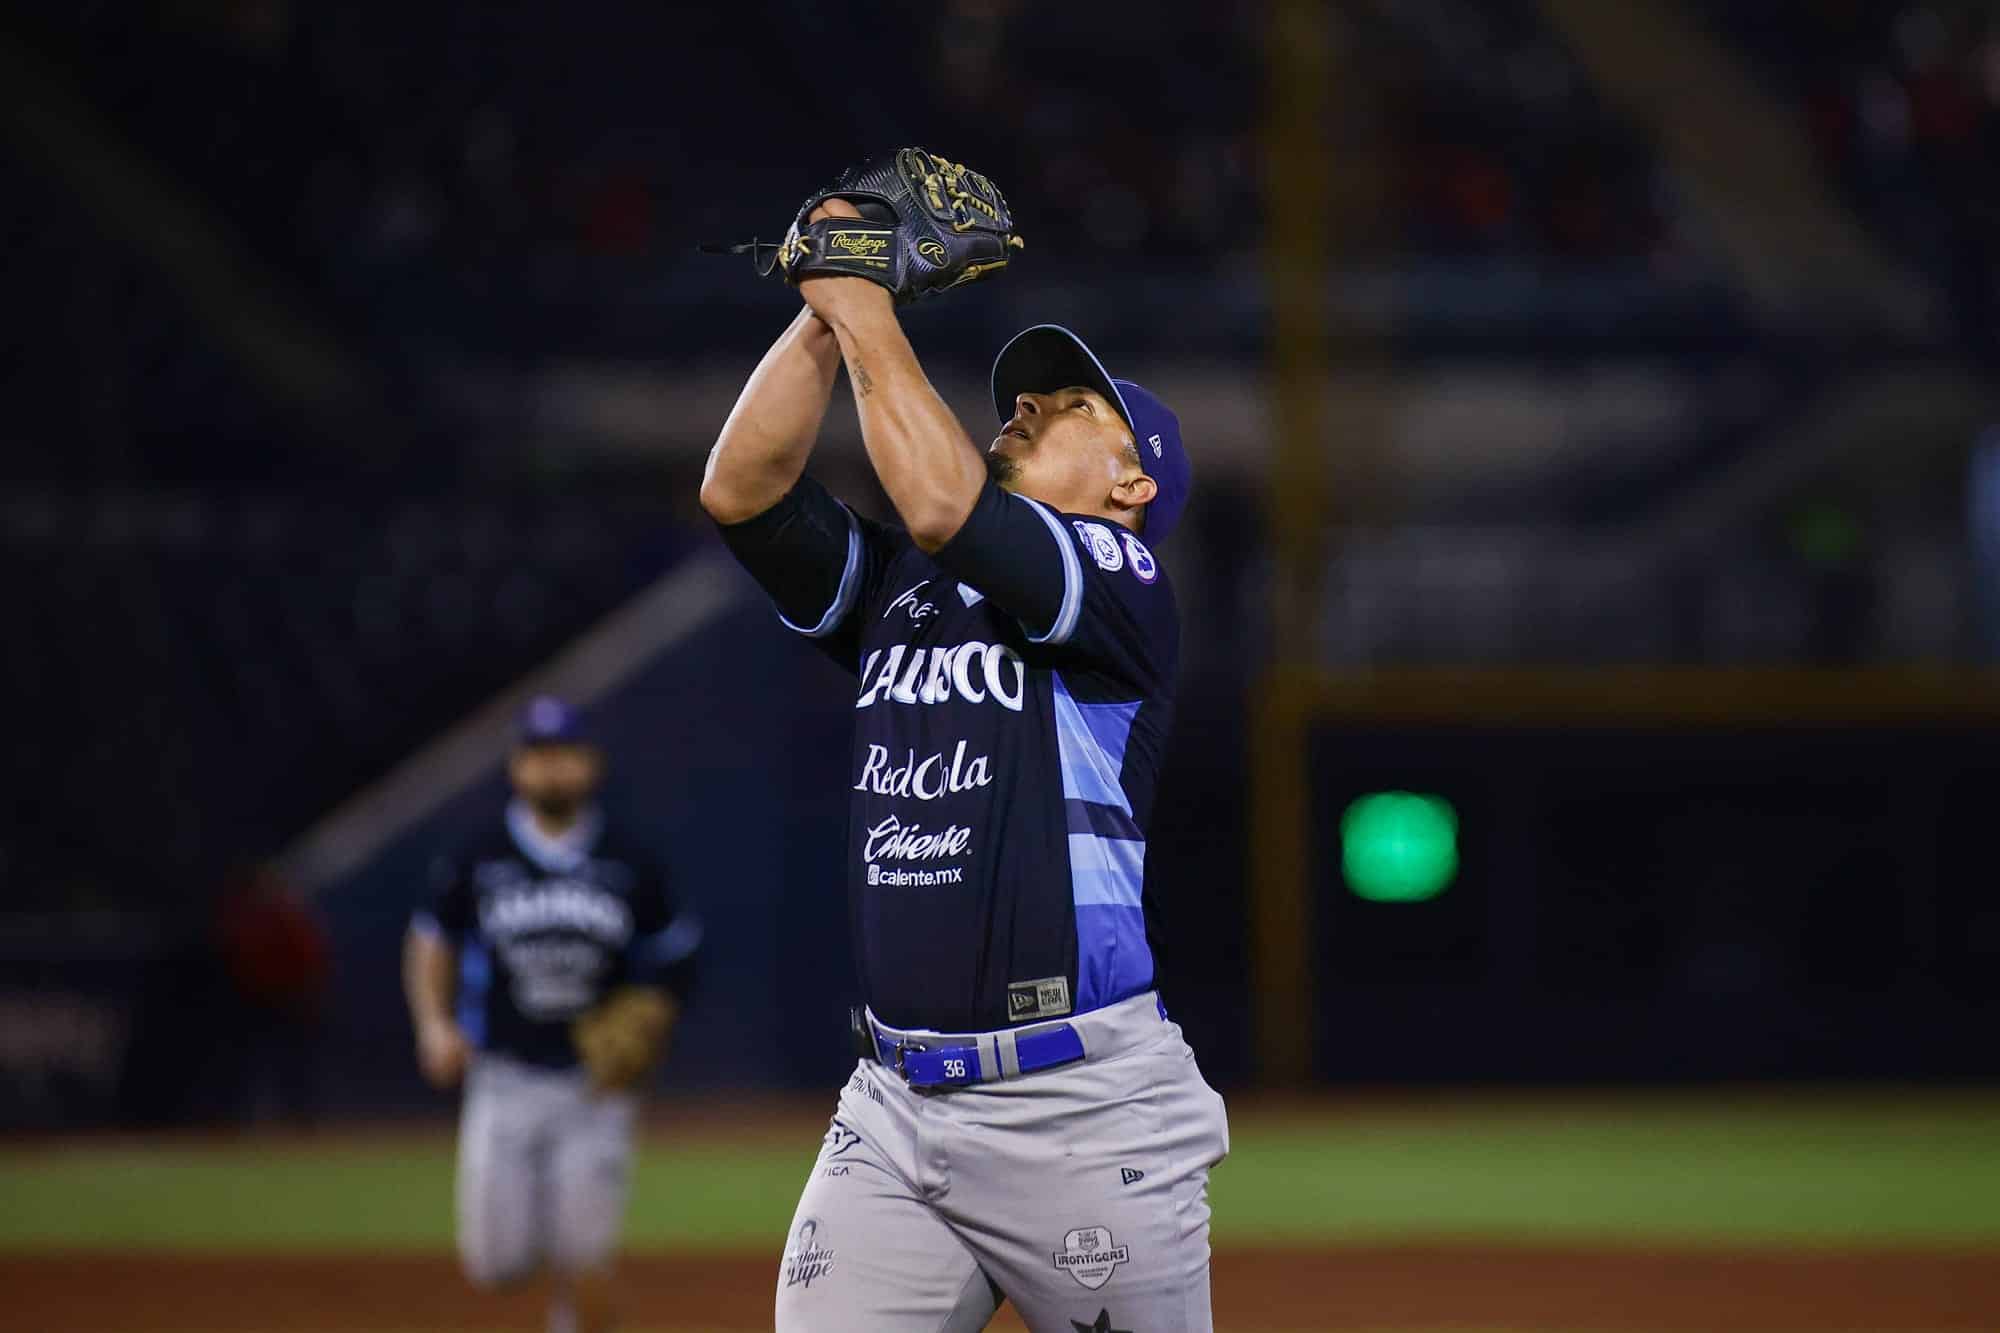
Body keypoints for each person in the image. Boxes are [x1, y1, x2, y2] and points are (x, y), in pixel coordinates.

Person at [702, 196, 1228, 1332]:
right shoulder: (910, 587)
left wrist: (861, 292)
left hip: (1080, 1108)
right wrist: (823, 305)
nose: (1028, 404)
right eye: (1026, 397)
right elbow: (739, 490)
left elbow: (944, 501)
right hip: (894, 1103)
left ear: (1132, 485)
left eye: (1073, 403)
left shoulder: (1122, 583)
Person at [402, 696, 700, 1333]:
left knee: (585, 1259)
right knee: (496, 1264)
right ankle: (539, 1234)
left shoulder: (630, 858)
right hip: (503, 1076)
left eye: (564, 755)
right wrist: (434, 1023)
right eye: (538, 757)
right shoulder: (479, 855)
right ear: (516, 767)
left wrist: (654, 1011)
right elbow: (431, 940)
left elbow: (676, 953)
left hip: (596, 1086)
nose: (552, 770)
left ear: (589, 764)